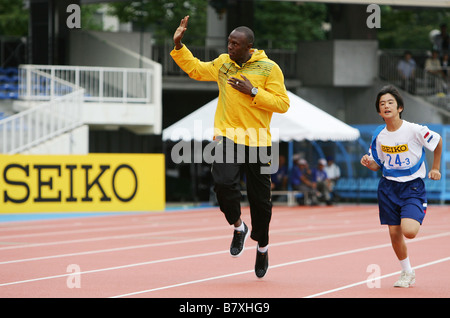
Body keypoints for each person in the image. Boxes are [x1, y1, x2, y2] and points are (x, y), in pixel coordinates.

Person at [171, 16, 290, 278]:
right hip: (227, 137)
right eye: (229, 42)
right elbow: (198, 70)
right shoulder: (223, 64)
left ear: (249, 47)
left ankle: (262, 246)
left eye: (235, 44)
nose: (230, 47)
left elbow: (282, 104)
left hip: (258, 141)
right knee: (223, 184)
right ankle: (238, 227)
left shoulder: (269, 69)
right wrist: (179, 47)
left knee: (261, 202)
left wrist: (254, 92)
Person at [360, 85, 442, 288]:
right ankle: (407, 272)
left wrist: (436, 168)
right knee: (394, 234)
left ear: (400, 108)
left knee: (410, 231)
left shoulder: (415, 130)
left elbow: (438, 142)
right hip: (388, 187)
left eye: (390, 102)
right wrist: (368, 163)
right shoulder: (378, 135)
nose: (386, 106)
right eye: (382, 104)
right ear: (379, 111)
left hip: (412, 186)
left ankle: (415, 211)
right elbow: (377, 165)